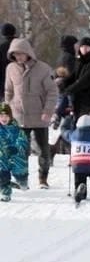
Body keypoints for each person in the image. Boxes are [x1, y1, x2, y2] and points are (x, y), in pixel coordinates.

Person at [4, 36, 57, 188]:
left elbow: (52, 91)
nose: (17, 57)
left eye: (20, 53)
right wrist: (6, 111)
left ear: (28, 52)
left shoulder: (43, 69)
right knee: (21, 150)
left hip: (40, 115)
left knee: (43, 150)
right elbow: (8, 91)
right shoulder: (11, 69)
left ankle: (43, 178)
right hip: (19, 115)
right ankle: (22, 179)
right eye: (14, 54)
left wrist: (48, 110)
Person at [61, 36, 90, 127]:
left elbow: (86, 80)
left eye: (87, 47)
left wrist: (69, 90)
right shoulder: (80, 61)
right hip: (81, 105)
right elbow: (74, 76)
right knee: (80, 133)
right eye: (82, 47)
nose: (84, 49)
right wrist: (63, 84)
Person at [66, 113, 90, 205]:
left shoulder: (73, 135)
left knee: (79, 178)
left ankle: (80, 187)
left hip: (78, 164)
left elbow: (63, 130)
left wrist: (68, 118)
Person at [0, 102, 30, 202]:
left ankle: (22, 181)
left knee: (20, 175)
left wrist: (17, 147)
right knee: (2, 174)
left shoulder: (16, 128)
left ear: (10, 116)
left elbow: (23, 141)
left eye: (6, 115)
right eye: (1, 116)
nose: (4, 118)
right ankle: (5, 192)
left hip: (16, 156)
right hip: (2, 157)